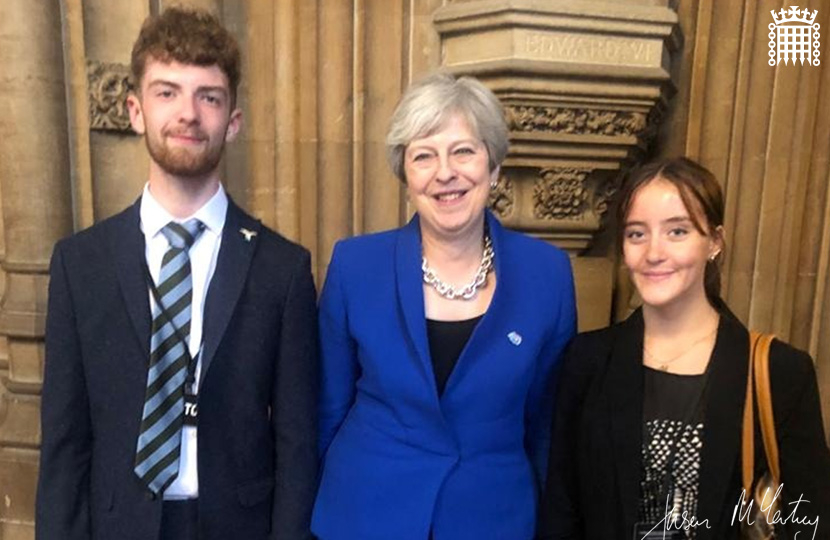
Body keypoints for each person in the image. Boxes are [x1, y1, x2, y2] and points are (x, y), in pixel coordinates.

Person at [36, 7, 318, 540]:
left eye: (208, 96)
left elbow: (297, 443)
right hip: (117, 524)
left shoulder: (282, 269)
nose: (188, 114)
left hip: (238, 525)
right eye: (167, 92)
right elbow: (65, 443)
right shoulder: (81, 265)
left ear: (232, 121)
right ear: (136, 110)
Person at [311, 72, 577, 540]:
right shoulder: (355, 265)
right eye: (424, 156)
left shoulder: (548, 274)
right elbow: (327, 409)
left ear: (493, 166)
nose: (445, 172)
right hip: (364, 513)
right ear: (406, 175)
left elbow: (546, 424)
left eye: (463, 151)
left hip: (492, 517)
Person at [539, 157, 830, 539]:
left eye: (677, 232)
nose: (653, 253)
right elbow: (562, 510)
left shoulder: (779, 373)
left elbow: (810, 524)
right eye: (636, 234)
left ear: (715, 242)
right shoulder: (587, 361)